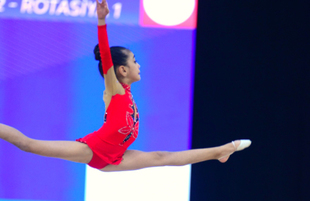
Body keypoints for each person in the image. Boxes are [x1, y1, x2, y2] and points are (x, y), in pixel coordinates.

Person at [0, 0, 251, 172]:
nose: (139, 65)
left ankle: (220, 150)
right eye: (134, 61)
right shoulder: (115, 89)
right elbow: (107, 58)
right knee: (28, 144)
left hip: (116, 158)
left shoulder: (128, 94)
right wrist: (101, 22)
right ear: (122, 70)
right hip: (93, 150)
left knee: (163, 157)